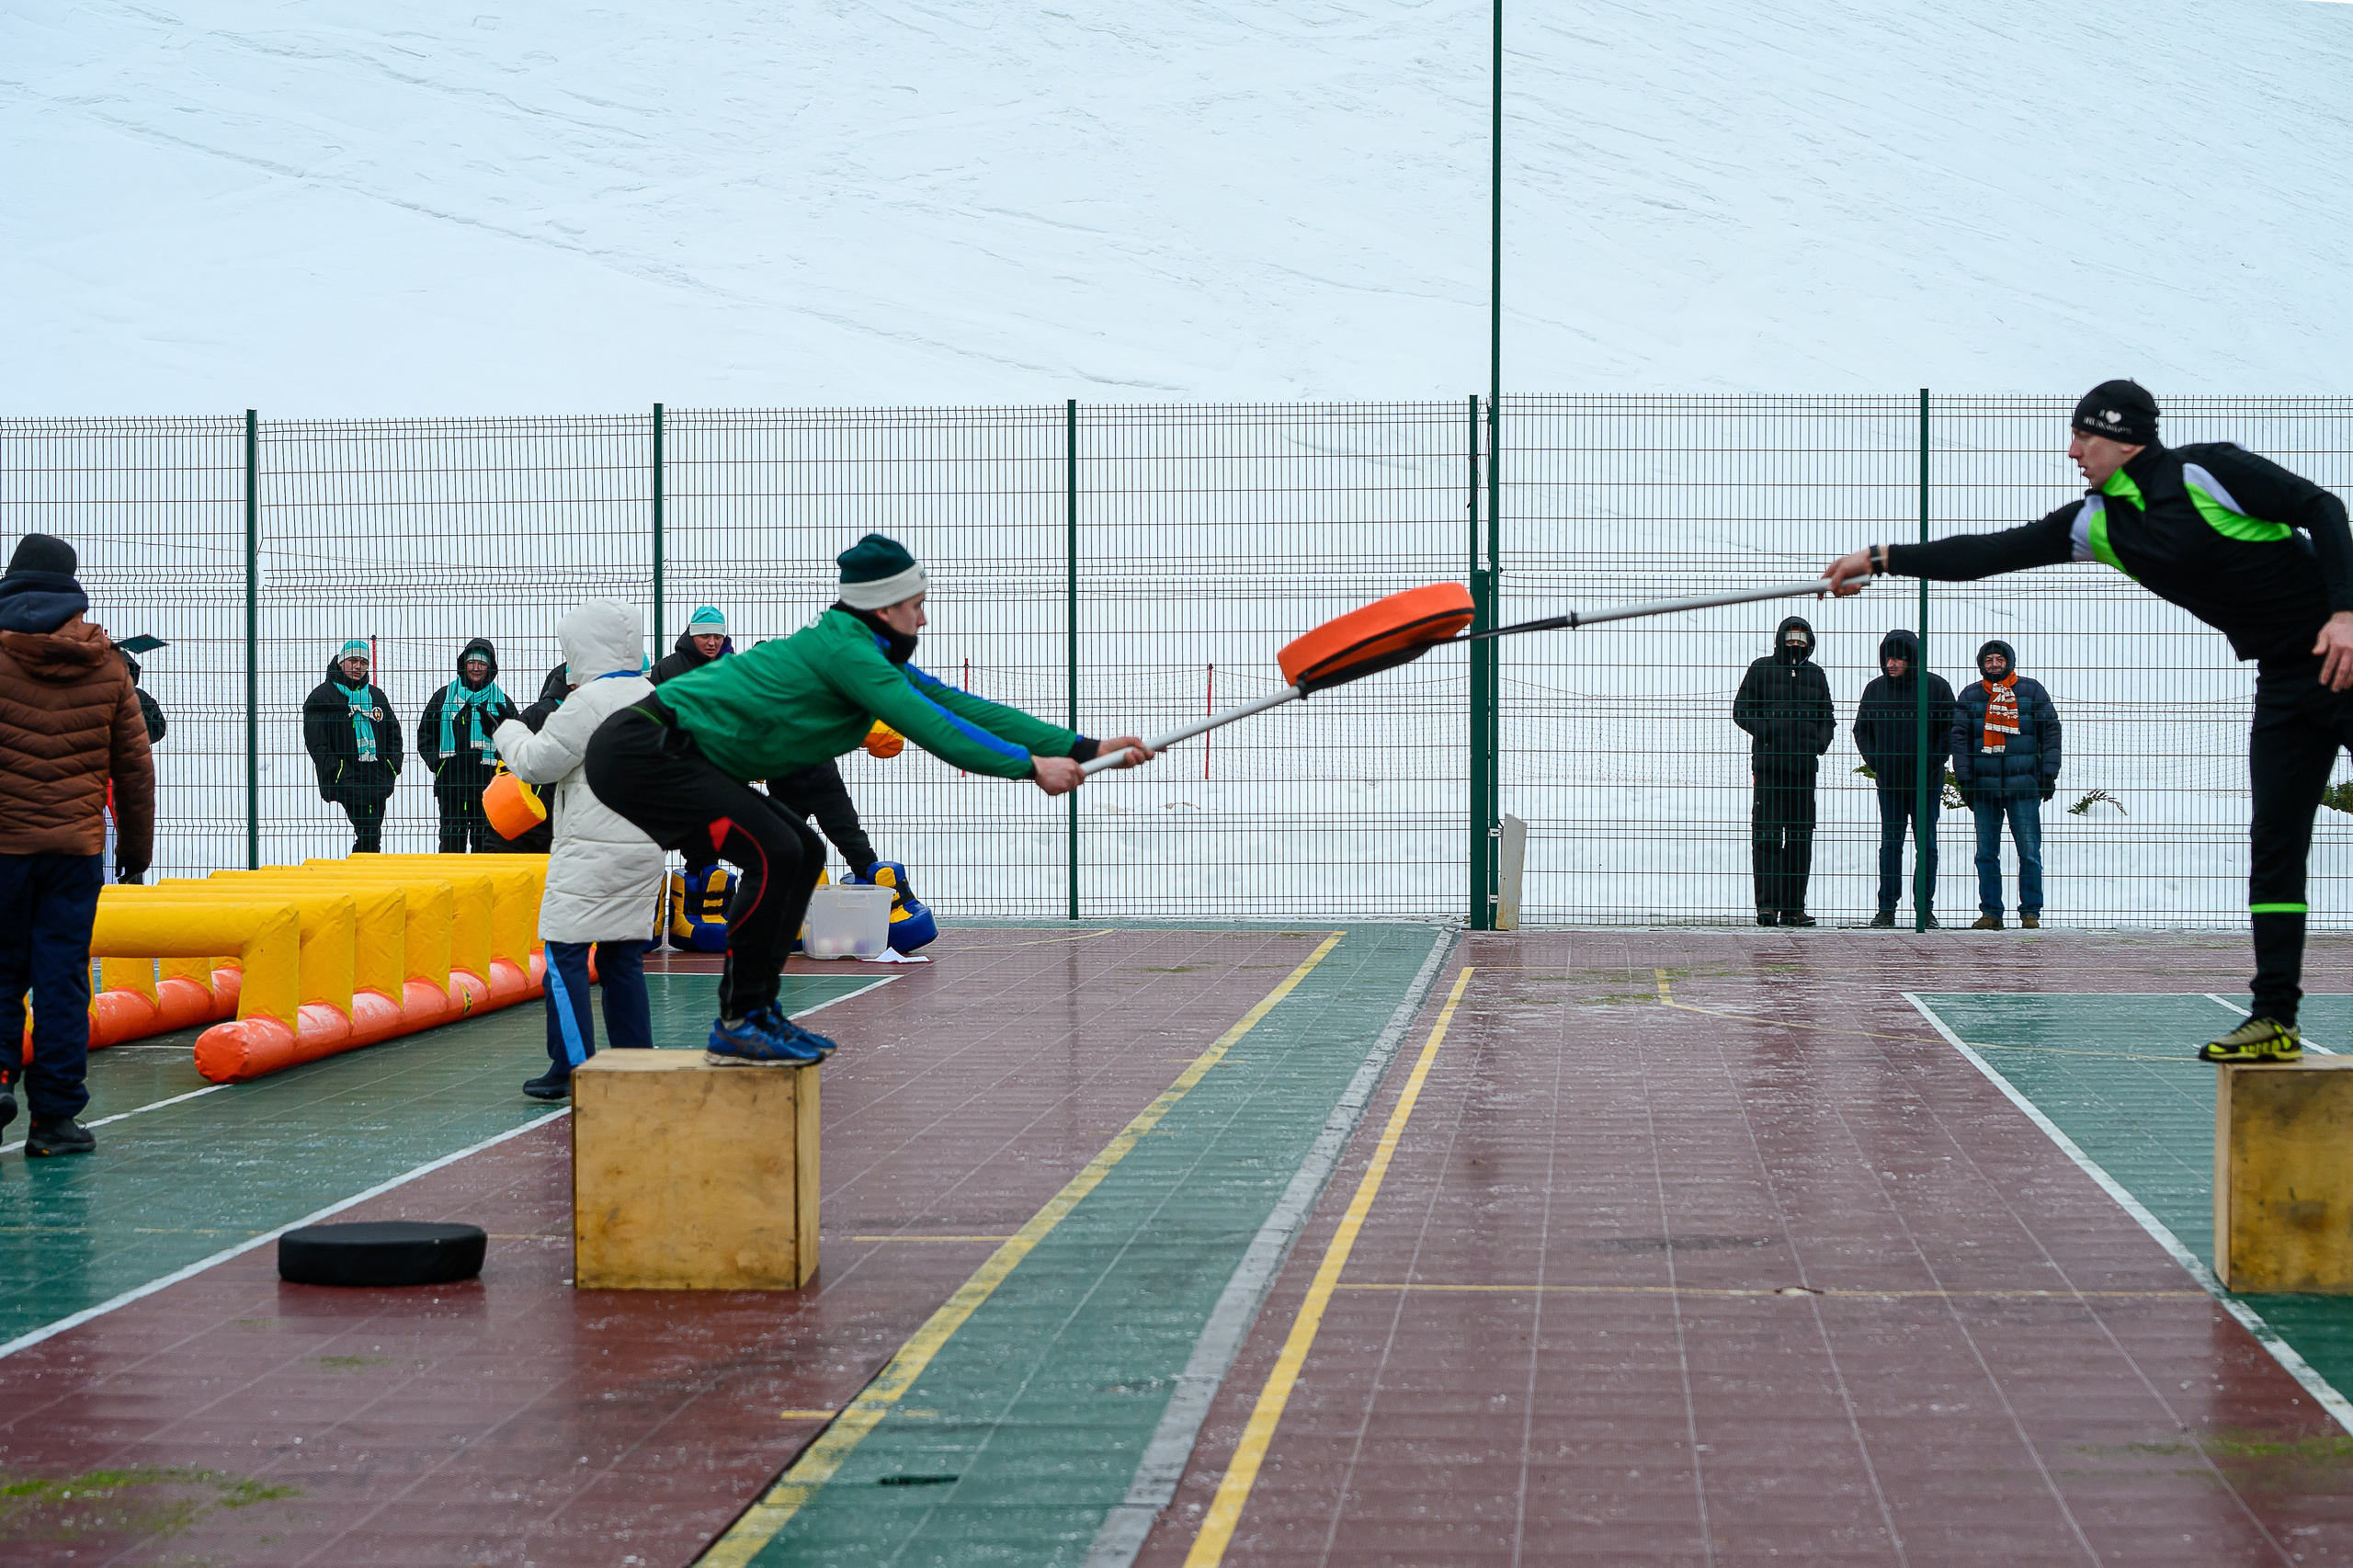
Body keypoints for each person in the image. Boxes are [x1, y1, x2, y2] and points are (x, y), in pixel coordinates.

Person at [1823, 379, 2353, 1061]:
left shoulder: (2205, 471)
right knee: (2276, 846)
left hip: (2343, 649)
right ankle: (2274, 1020)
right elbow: (1991, 553)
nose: (2072, 451)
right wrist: (1884, 559)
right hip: (2284, 678)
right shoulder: (2095, 524)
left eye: (2085, 437)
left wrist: (2345, 611)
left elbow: (2322, 507)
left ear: (2124, 438)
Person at [585, 533, 1152, 1064]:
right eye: (916, 605)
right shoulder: (849, 654)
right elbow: (936, 728)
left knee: (802, 853)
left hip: (674, 754)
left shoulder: (861, 650)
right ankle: (740, 1021)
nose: (923, 618)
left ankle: (753, 1012)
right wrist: (1029, 767)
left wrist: (1084, 745)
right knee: (778, 852)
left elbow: (962, 706)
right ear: (885, 609)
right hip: (646, 750)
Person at [0, 534, 153, 1155]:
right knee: (62, 979)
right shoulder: (108, 664)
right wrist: (135, 854)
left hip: (4, 845)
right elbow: (135, 769)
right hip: (74, 849)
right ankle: (54, 1120)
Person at [483, 602, 665, 1101]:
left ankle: (570, 1065)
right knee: (622, 957)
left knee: (564, 956)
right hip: (643, 849)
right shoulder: (655, 696)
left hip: (590, 850)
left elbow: (537, 763)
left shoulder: (590, 702)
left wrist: (506, 728)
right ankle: (634, 1063)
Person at [1949, 640, 2060, 930]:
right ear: (1981, 664)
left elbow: (2050, 733)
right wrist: (1965, 779)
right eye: (1989, 660)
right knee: (1986, 854)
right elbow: (1959, 739)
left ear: (2009, 661)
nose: (1995, 664)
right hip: (1984, 789)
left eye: (2000, 659)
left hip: (2024, 787)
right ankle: (1991, 913)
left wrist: (2048, 772)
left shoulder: (2032, 691)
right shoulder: (1970, 695)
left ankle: (2030, 912)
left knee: (2029, 852)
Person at [1733, 616, 1835, 926]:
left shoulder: (1816, 675)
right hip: (1769, 769)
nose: (1795, 642)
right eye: (1791, 636)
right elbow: (1741, 710)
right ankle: (1767, 906)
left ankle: (1794, 908)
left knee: (1801, 838)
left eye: (1801, 638)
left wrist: (1817, 744)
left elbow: (1827, 718)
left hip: (1804, 771)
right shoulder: (1761, 669)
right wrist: (1767, 732)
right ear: (1780, 638)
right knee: (1767, 836)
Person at [1852, 628, 1955, 927]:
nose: (1892, 664)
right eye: (1888, 658)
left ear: (1912, 659)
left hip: (1927, 782)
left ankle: (1924, 909)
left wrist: (1933, 762)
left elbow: (1949, 730)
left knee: (1927, 844)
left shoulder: (1936, 688)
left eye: (1899, 658)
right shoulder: (1874, 690)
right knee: (1891, 843)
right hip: (1890, 782)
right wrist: (1878, 763)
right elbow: (1862, 730)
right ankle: (1886, 909)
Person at [301, 639, 403, 855]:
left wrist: (391, 767)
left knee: (372, 834)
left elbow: (394, 734)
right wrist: (337, 771)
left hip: (377, 776)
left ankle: (365, 876)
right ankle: (363, 878)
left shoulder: (376, 696)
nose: (358, 666)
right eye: (353, 660)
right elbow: (317, 743)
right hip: (346, 777)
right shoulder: (321, 697)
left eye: (364, 662)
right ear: (341, 662)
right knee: (368, 832)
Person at [416, 638, 517, 853]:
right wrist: (438, 763)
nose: (476, 668)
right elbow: (425, 734)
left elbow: (514, 739)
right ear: (463, 665)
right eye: (472, 663)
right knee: (451, 841)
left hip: (489, 787)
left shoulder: (502, 702)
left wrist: (501, 771)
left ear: (490, 668)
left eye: (482, 664)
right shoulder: (443, 697)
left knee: (485, 842)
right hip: (450, 785)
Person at [651, 605, 733, 684]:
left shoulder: (732, 669)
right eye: (705, 636)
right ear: (692, 637)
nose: (712, 643)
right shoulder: (665, 670)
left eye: (717, 637)